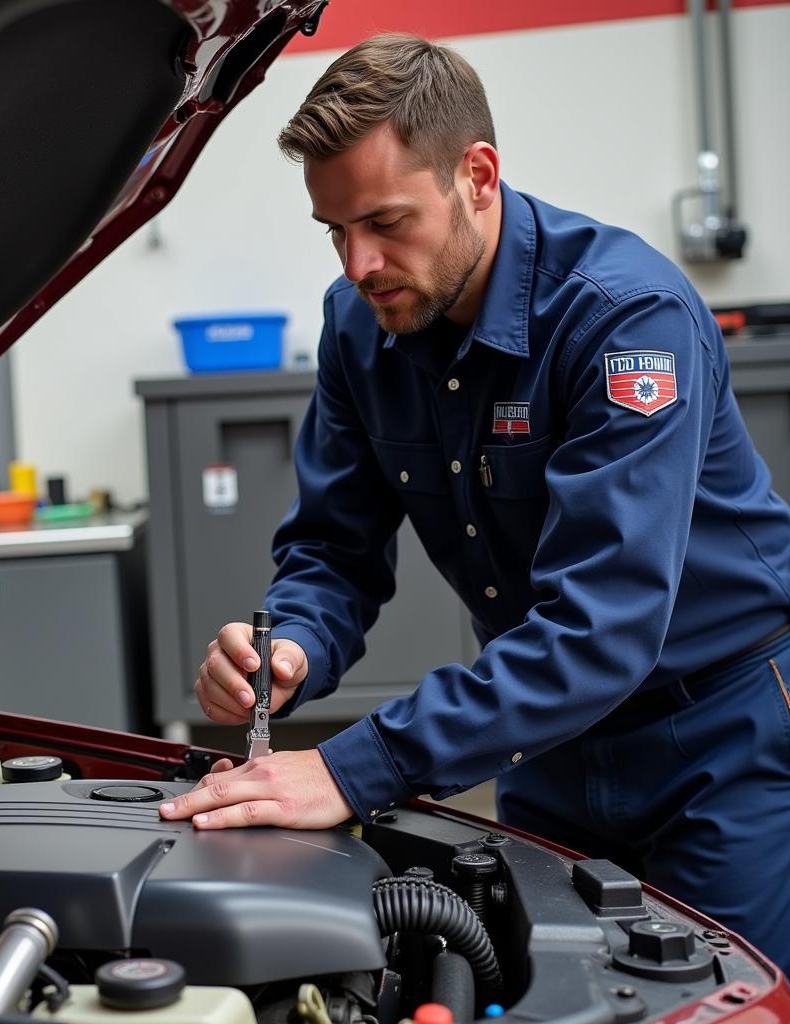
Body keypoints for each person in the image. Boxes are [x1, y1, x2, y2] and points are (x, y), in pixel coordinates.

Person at [157, 33, 790, 971]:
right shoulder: (358, 325)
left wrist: (348, 766)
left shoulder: (623, 318)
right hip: (544, 740)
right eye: (335, 231)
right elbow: (334, 550)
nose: (360, 262)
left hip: (721, 741)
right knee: (530, 988)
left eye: (385, 221)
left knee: (717, 996)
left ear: (478, 176)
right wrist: (291, 646)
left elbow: (600, 627)